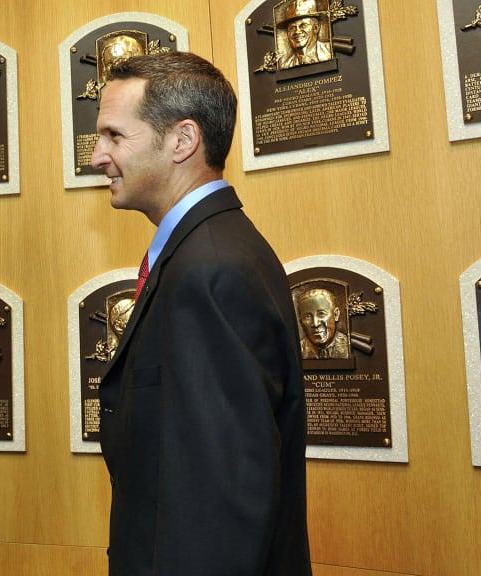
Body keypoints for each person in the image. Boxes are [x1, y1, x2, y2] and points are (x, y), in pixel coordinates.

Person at [90, 51, 311, 575]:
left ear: (182, 141)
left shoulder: (211, 269)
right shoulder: (206, 251)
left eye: (114, 136)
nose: (97, 156)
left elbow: (222, 506)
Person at [296, 287, 351, 359]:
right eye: (307, 317)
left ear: (336, 315)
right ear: (300, 321)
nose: (315, 324)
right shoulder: (297, 352)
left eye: (321, 314)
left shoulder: (348, 346)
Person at [277, 0, 333, 69]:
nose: (297, 31)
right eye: (292, 28)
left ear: (316, 28)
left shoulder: (329, 52)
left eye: (303, 25)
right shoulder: (286, 65)